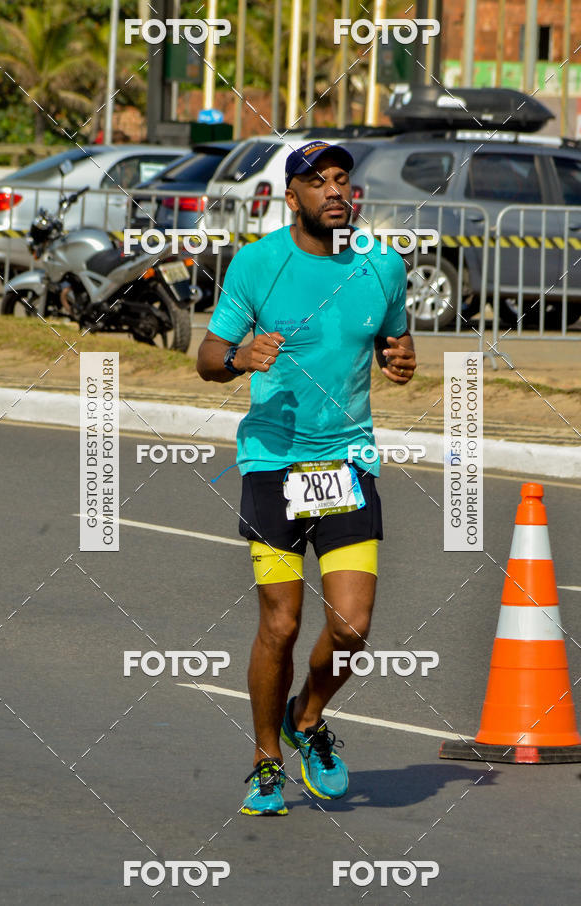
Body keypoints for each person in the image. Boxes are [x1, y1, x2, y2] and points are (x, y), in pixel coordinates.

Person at [196, 140, 416, 816]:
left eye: (341, 178)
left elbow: (395, 341)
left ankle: (307, 716)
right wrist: (239, 357)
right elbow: (207, 355)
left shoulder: (382, 265)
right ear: (291, 197)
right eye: (318, 181)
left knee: (351, 627)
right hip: (273, 461)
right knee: (282, 624)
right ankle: (266, 761)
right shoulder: (257, 264)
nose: (334, 190)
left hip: (346, 462)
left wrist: (401, 360)